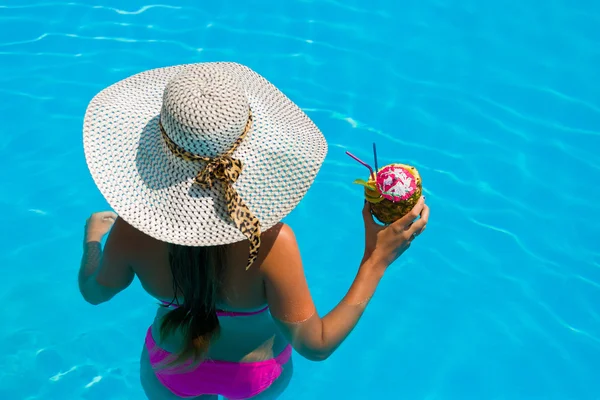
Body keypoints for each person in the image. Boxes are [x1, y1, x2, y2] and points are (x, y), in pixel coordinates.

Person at [78, 62, 429, 400]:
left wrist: (92, 240)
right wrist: (376, 260)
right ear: (251, 148)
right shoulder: (272, 244)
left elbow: (94, 293)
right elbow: (316, 344)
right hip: (255, 373)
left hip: (172, 366)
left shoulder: (132, 231)